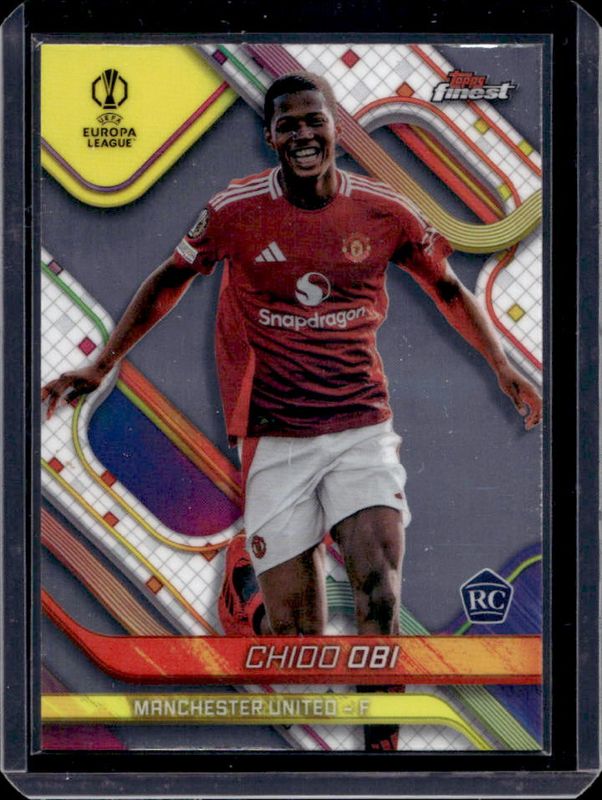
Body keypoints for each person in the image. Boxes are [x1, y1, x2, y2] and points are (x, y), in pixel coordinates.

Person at [42, 72, 542, 751]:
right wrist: (103, 363)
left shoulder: (384, 212)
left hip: (361, 427)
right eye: (289, 124)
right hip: (276, 437)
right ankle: (245, 583)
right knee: (298, 647)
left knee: (379, 591)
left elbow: (449, 289)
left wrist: (504, 368)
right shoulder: (235, 211)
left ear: (335, 128)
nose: (304, 134)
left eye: (315, 120)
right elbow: (169, 278)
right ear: (270, 136)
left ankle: (381, 752)